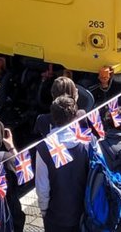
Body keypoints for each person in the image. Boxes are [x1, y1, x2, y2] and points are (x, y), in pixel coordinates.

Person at [35, 97, 89, 232]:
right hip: (83, 212)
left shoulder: (43, 148)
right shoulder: (87, 143)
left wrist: (44, 211)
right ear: (74, 116)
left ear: (53, 116)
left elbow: (42, 187)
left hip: (56, 216)